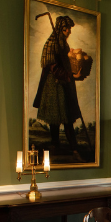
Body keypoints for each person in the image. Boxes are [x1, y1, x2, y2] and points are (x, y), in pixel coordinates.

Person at [33, 16, 85, 162]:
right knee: (56, 119)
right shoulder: (51, 44)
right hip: (53, 85)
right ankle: (58, 148)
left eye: (69, 29)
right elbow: (54, 68)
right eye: (66, 29)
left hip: (64, 83)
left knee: (67, 117)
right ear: (60, 29)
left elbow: (66, 63)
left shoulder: (63, 44)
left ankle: (73, 149)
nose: (69, 32)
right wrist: (72, 75)